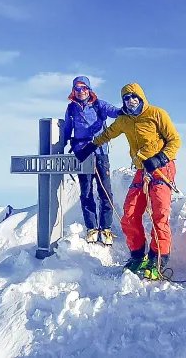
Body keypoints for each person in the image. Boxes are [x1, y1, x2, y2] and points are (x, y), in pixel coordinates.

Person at [74, 82, 181, 279]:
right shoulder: (124, 120)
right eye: (126, 98)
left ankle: (158, 260)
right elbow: (108, 133)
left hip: (161, 169)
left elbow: (175, 140)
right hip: (142, 170)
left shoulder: (157, 114)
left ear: (141, 97)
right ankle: (138, 256)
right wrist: (89, 148)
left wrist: (159, 159)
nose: (131, 101)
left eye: (134, 97)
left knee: (159, 215)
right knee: (129, 214)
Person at [64, 76, 122, 245]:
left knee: (105, 190)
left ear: (89, 89)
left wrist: (123, 110)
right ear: (73, 91)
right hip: (83, 153)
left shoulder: (98, 104)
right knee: (86, 191)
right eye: (77, 88)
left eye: (83, 88)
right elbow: (67, 129)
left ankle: (106, 228)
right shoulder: (71, 109)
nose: (81, 91)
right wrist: (61, 145)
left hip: (101, 151)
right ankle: (91, 228)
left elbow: (113, 111)